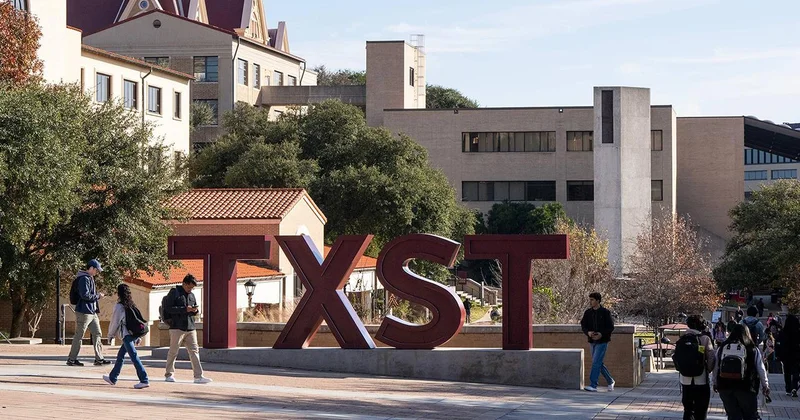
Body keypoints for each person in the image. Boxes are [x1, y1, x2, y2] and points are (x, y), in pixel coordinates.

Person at [712, 324, 770, 420]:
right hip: (746, 387)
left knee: (733, 416)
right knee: (750, 416)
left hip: (725, 387)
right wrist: (765, 385)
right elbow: (761, 368)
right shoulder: (752, 349)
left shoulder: (723, 347)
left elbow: (716, 367)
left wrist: (714, 383)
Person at [164, 274, 212, 384]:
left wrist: (195, 311)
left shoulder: (192, 295)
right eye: (189, 287)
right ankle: (169, 374)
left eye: (192, 288)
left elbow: (195, 308)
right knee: (173, 351)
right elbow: (168, 309)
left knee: (195, 351)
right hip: (177, 327)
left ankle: (198, 376)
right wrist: (184, 309)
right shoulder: (174, 292)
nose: (190, 289)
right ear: (184, 284)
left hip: (190, 327)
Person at [103, 284, 149, 389]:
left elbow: (115, 322)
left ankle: (144, 379)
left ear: (119, 293)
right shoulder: (131, 305)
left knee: (134, 356)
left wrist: (110, 335)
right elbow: (136, 321)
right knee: (121, 355)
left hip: (126, 335)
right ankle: (113, 377)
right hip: (132, 334)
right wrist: (137, 336)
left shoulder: (119, 306)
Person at [67, 259, 110, 366]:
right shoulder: (83, 279)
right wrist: (98, 296)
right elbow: (85, 295)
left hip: (92, 311)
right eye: (96, 270)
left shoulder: (90, 278)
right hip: (84, 312)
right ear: (91, 268)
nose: (97, 272)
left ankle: (99, 358)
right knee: (79, 335)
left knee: (97, 333)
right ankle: (72, 359)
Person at [677, 315, 715, 420]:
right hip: (701, 379)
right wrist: (708, 369)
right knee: (701, 410)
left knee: (688, 409)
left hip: (685, 379)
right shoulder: (705, 339)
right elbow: (711, 358)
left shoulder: (682, 339)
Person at [580, 292, 615, 392]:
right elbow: (583, 326)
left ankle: (593, 384)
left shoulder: (605, 312)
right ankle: (610, 380)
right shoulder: (588, 313)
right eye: (590, 300)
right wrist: (589, 333)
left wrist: (601, 334)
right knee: (598, 363)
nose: (590, 302)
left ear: (598, 301)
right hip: (592, 341)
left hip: (602, 341)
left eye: (592, 300)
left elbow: (610, 327)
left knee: (596, 362)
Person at [775, 314, 800, 397]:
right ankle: (794, 386)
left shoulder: (783, 332)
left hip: (785, 355)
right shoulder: (798, 332)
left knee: (787, 372)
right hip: (797, 355)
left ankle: (788, 388)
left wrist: (778, 354)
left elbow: (777, 344)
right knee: (796, 371)